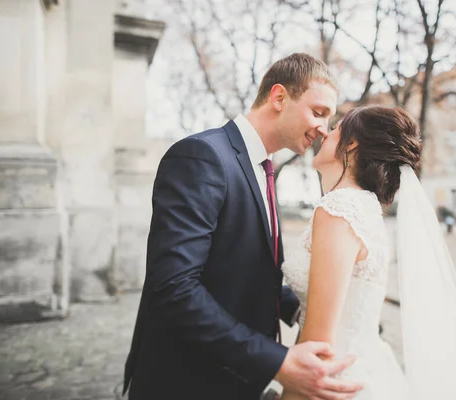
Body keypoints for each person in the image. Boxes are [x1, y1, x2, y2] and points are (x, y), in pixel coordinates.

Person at [123, 53, 363, 400]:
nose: (324, 129)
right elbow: (174, 288)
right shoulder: (201, 156)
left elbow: (244, 268)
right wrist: (278, 363)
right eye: (318, 112)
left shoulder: (265, 170)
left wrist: (302, 307)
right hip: (186, 382)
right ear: (279, 97)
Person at [282, 105, 456, 399]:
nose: (324, 132)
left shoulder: (338, 211)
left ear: (353, 143)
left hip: (333, 381)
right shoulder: (365, 208)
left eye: (334, 128)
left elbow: (318, 343)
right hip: (364, 367)